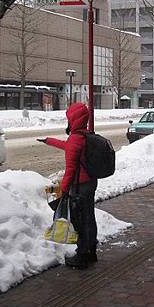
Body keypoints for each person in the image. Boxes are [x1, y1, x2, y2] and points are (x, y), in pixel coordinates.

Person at [38, 102, 98, 269]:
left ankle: (82, 255)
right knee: (89, 218)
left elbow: (70, 170)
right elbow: (69, 147)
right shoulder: (85, 135)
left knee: (80, 221)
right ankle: (91, 251)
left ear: (73, 119)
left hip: (80, 187)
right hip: (91, 183)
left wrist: (63, 191)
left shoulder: (75, 139)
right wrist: (49, 141)